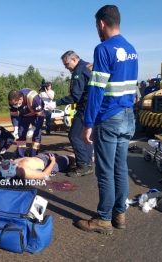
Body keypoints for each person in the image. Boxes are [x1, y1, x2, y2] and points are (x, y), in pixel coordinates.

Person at [80, 5, 138, 234]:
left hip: (109, 117)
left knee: (105, 171)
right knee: (120, 168)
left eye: (97, 26)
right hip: (128, 116)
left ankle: (103, 219)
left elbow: (96, 90)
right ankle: (119, 214)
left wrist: (87, 123)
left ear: (102, 23)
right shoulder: (132, 49)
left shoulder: (103, 49)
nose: (97, 30)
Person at [47, 50, 94, 177]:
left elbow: (75, 97)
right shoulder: (89, 66)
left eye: (67, 64)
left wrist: (56, 103)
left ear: (74, 59)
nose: (66, 67)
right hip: (95, 107)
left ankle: (84, 164)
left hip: (85, 107)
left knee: (74, 135)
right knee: (87, 137)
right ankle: (88, 163)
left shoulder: (78, 72)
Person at [8, 89, 45, 158]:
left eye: (15, 104)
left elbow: (40, 115)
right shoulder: (12, 101)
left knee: (37, 136)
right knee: (20, 135)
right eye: (12, 104)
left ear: (21, 99)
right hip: (23, 115)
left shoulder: (34, 98)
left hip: (36, 116)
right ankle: (21, 156)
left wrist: (33, 128)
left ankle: (34, 156)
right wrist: (15, 127)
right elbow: (14, 115)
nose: (14, 106)